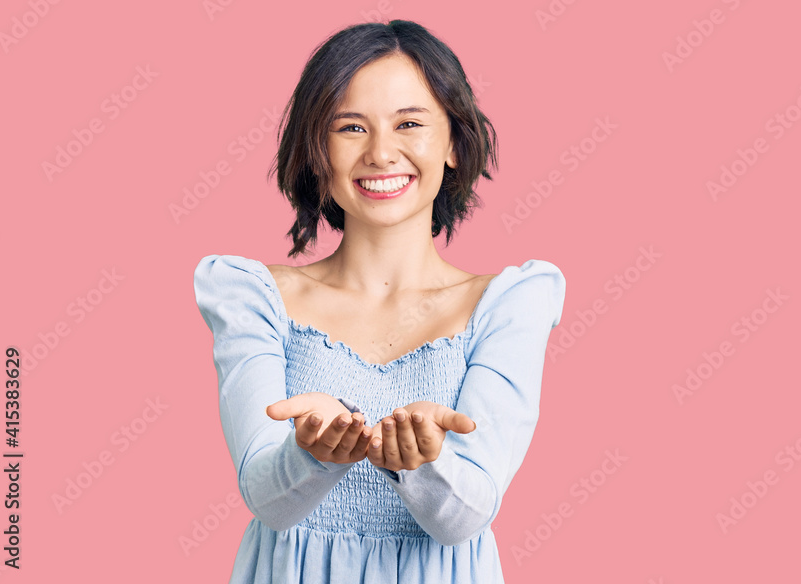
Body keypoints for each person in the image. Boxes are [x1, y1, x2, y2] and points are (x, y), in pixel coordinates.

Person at [193, 19, 566, 583]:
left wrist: (424, 462)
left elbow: (466, 516)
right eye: (350, 128)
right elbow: (269, 501)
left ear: (454, 147)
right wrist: (311, 454)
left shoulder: (508, 304)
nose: (381, 153)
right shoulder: (255, 297)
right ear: (318, 150)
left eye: (410, 123)